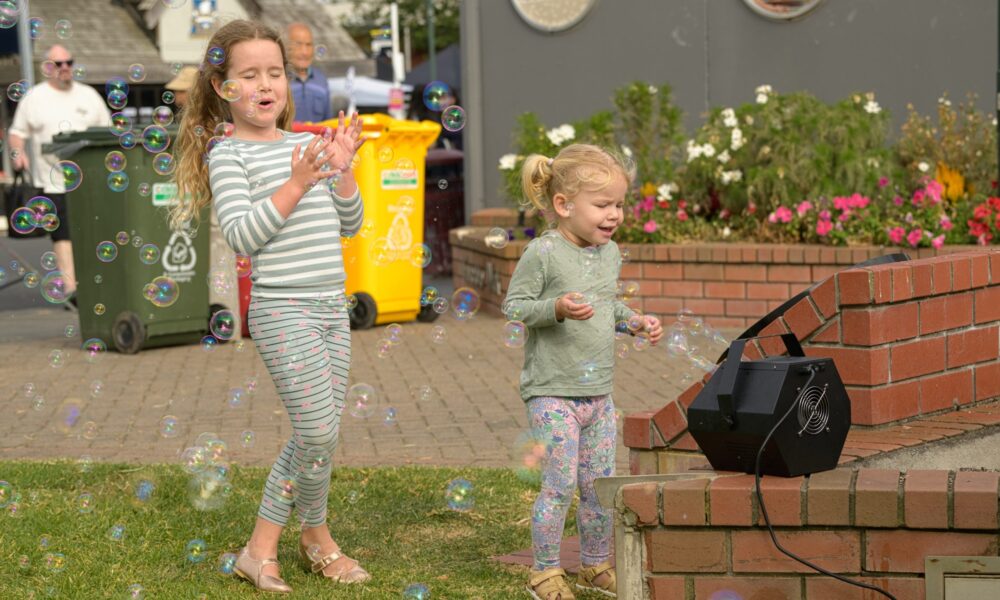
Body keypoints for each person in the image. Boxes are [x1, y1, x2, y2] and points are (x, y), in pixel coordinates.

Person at [169, 20, 367, 593]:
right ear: (222, 87)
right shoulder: (229, 155)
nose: (265, 85)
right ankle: (263, 549)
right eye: (249, 75)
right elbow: (242, 235)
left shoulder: (303, 146)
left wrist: (343, 170)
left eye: (275, 73)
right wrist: (298, 181)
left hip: (331, 306)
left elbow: (350, 225)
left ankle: (314, 538)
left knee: (321, 434)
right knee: (315, 431)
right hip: (283, 311)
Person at [502, 144, 664, 600]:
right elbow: (514, 306)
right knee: (559, 485)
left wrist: (634, 321)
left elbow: (607, 305)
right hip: (552, 393)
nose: (614, 215)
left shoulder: (607, 252)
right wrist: (555, 307)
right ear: (563, 204)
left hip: (598, 395)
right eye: (603, 204)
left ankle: (594, 564)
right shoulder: (544, 252)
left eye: (619, 204)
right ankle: (544, 572)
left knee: (597, 488)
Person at [8, 44, 111, 299]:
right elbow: (17, 133)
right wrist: (18, 154)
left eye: (69, 62)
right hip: (52, 179)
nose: (65, 68)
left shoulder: (88, 95)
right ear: (47, 68)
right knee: (63, 235)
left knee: (92, 233)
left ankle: (93, 283)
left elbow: (108, 132)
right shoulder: (35, 97)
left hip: (90, 180)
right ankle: (70, 288)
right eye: (58, 64)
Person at [286, 22, 333, 123]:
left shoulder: (321, 80)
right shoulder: (278, 79)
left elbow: (328, 122)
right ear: (286, 47)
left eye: (309, 45)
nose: (305, 52)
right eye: (298, 44)